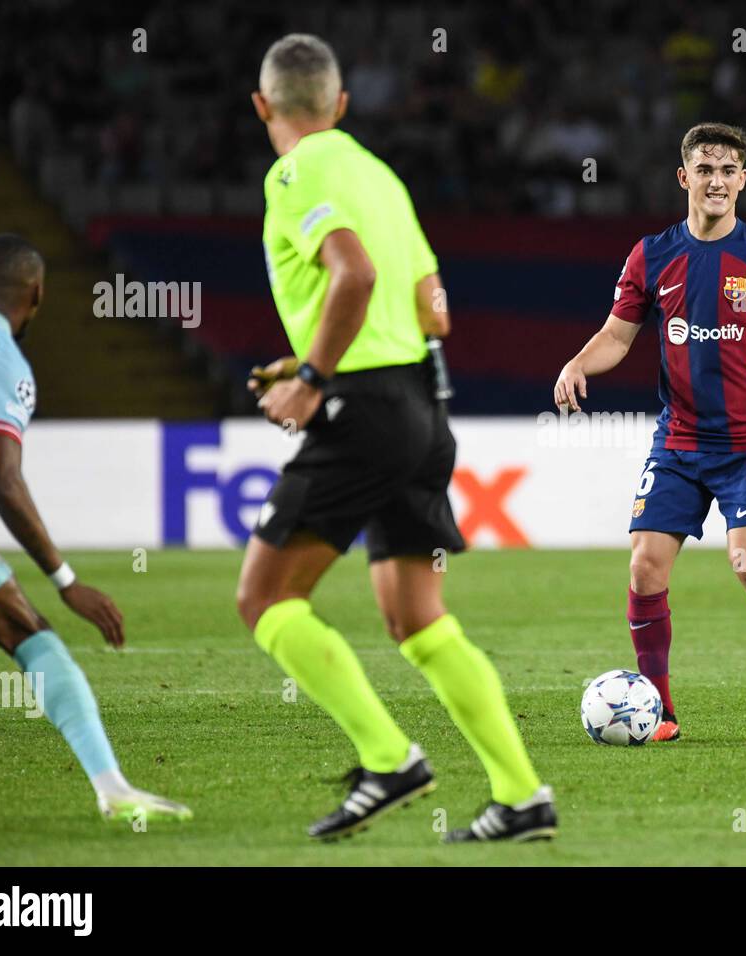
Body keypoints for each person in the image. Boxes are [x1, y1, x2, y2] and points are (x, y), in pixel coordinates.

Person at [238, 34, 555, 843]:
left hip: (363, 410)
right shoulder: (381, 176)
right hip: (421, 406)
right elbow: (432, 311)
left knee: (265, 598)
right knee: (418, 618)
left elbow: (355, 275)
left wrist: (312, 377)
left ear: (263, 106)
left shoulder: (295, 171)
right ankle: (521, 798)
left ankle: (389, 759)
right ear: (341, 104)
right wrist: (316, 352)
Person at [553, 123, 746, 744]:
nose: (717, 181)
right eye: (705, 169)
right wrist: (575, 363)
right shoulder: (652, 255)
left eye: (729, 170)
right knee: (645, 567)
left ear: (743, 180)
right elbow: (616, 336)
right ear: (685, 178)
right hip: (676, 445)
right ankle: (662, 713)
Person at [0, 234, 192, 821]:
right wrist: (64, 577)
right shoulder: (6, 361)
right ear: (37, 295)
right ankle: (114, 790)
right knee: (34, 636)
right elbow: (3, 481)